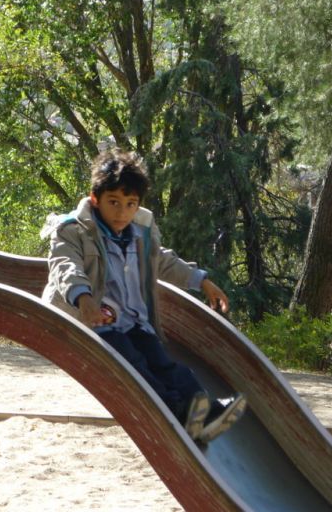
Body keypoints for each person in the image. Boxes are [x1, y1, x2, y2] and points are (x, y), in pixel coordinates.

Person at [41, 149, 247, 444]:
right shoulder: (73, 230)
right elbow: (65, 265)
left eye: (130, 204)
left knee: (163, 362)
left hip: (132, 319)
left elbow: (164, 261)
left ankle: (203, 411)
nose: (122, 212)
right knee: (134, 365)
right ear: (95, 199)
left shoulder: (140, 233)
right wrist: (82, 296)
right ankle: (175, 413)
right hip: (94, 322)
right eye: (113, 202)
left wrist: (201, 281)